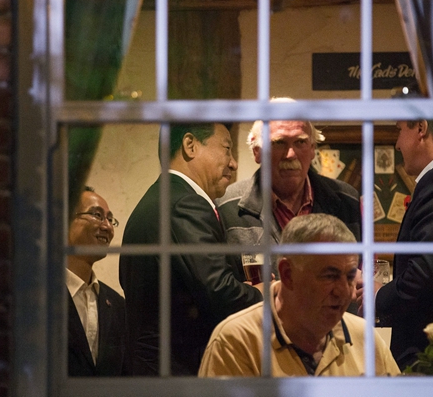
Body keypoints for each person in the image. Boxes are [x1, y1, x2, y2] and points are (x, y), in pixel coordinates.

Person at [120, 123, 264, 376]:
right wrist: (265, 295)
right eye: (227, 149)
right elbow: (219, 292)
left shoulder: (157, 198)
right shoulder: (186, 203)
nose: (234, 164)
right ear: (190, 145)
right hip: (177, 373)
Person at [198, 213, 400, 377]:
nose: (343, 291)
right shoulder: (236, 342)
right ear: (287, 274)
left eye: (349, 277)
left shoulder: (365, 338)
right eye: (329, 276)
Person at [359, 119, 433, 371]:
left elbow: (427, 272)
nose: (397, 145)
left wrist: (377, 295)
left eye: (399, 130)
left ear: (421, 128)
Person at [216, 119, 361, 245]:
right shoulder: (227, 206)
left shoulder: (347, 200)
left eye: (300, 142)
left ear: (312, 149)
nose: (291, 154)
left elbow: (364, 266)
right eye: (279, 142)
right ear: (257, 152)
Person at [67, 186, 130, 376]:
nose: (107, 227)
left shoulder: (117, 305)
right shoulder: (37, 295)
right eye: (97, 215)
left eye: (110, 219)